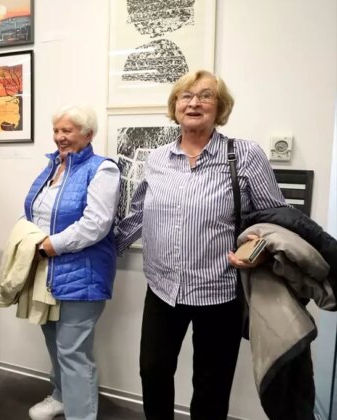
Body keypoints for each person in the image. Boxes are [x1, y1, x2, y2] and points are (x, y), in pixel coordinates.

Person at [116, 70, 287, 420]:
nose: (194, 103)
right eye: (185, 96)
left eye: (205, 96)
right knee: (153, 372)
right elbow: (137, 214)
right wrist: (101, 251)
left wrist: (259, 247)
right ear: (175, 105)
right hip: (163, 290)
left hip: (220, 292)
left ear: (219, 107)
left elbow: (275, 218)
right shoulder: (158, 159)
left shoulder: (243, 155)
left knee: (211, 385)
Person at [24, 105, 121, 420]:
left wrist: (53, 245)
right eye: (56, 131)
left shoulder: (102, 169)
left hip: (83, 275)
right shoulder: (53, 167)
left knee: (73, 353)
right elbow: (37, 211)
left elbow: (96, 224)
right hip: (47, 271)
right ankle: (61, 396)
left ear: (88, 134)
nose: (60, 137)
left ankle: (81, 414)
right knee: (55, 343)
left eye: (67, 131)